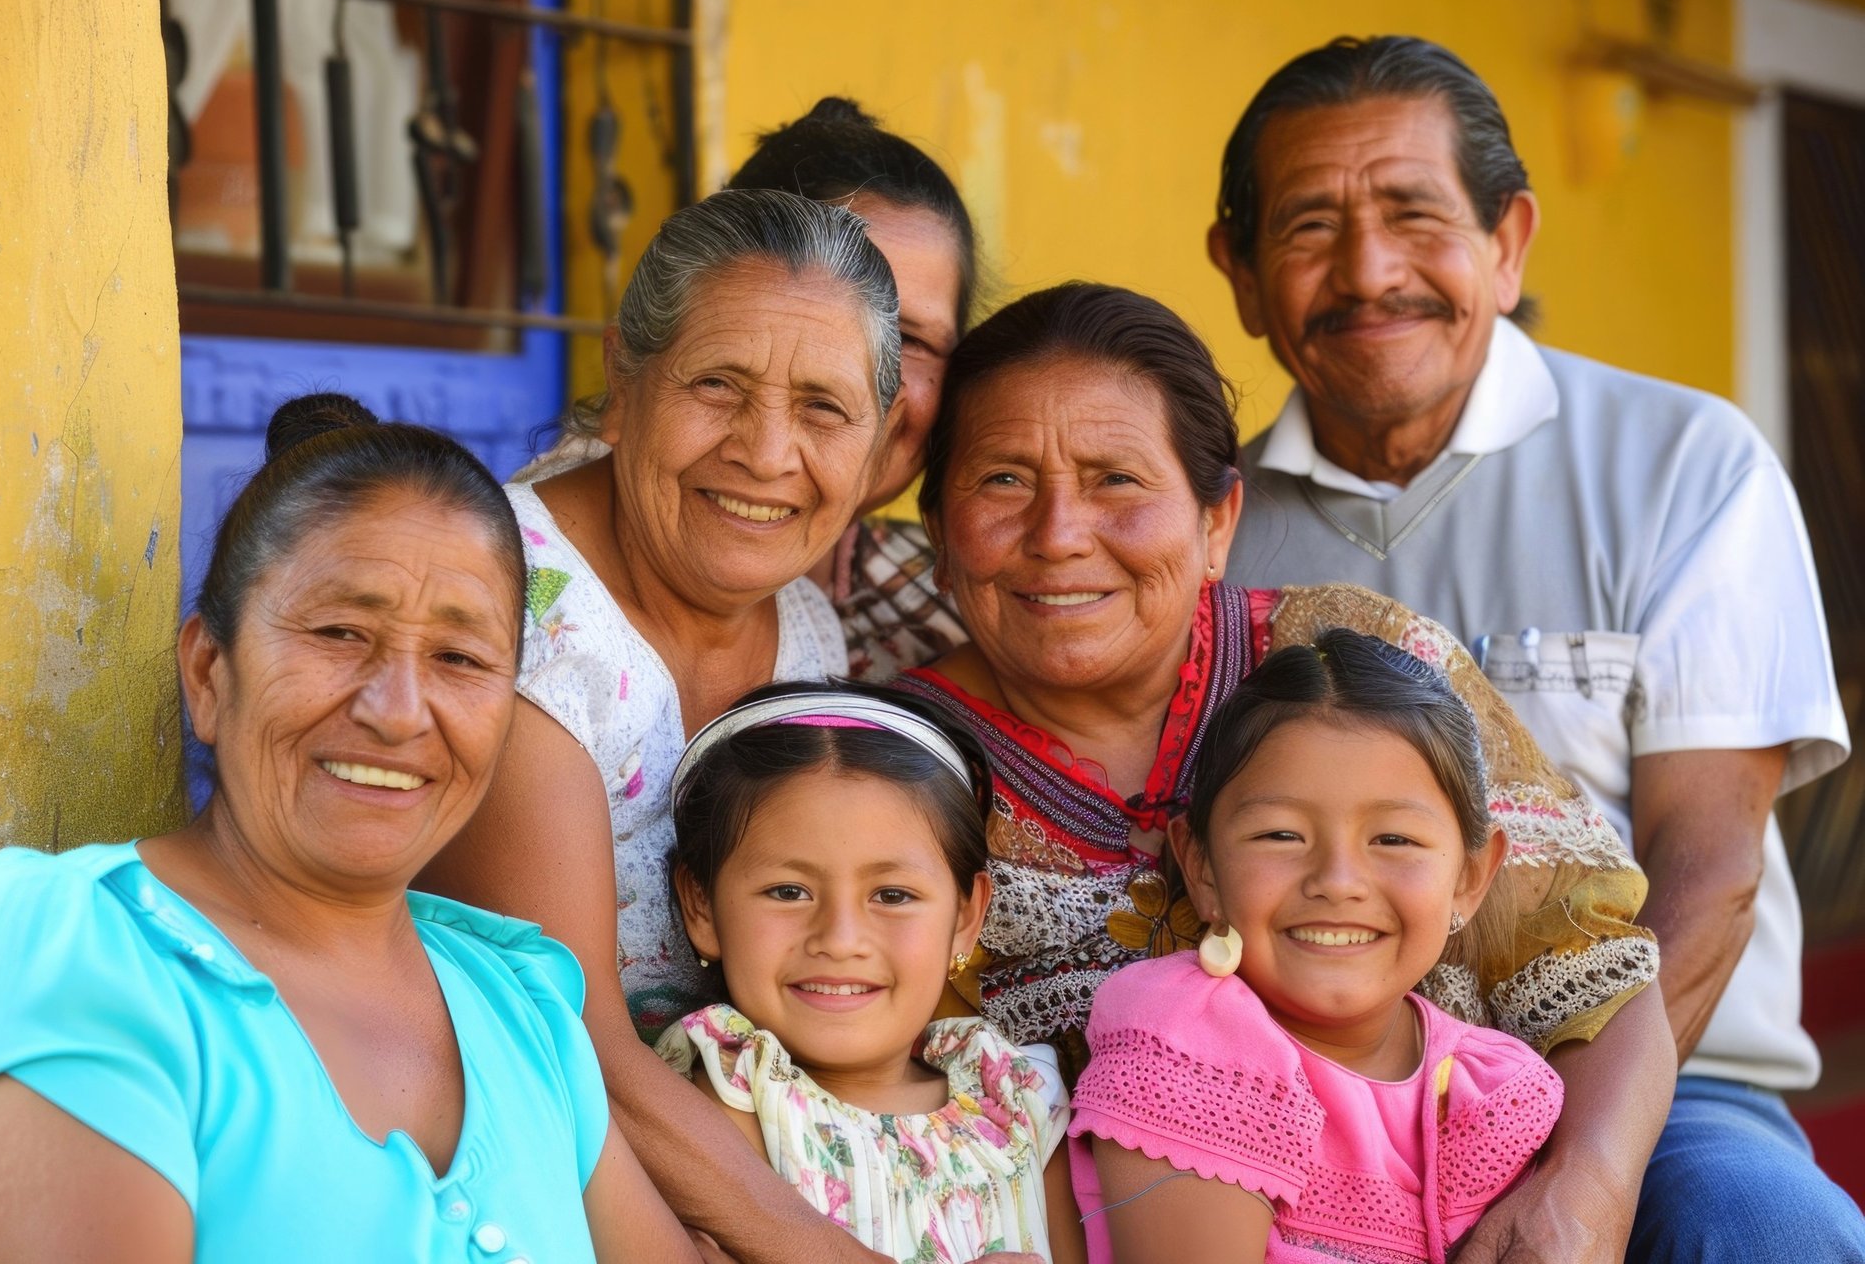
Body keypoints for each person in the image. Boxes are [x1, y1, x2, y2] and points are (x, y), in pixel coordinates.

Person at [1210, 36, 1859, 1262]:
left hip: (1657, 1080)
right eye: (1306, 227)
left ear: (1507, 242)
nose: (1368, 270)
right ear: (1238, 274)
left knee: (1770, 1230)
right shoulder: (1203, 529)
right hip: (1304, 1084)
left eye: (1415, 213)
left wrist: (1584, 1165)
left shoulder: (1682, 467)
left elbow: (1708, 865)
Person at [899, 280, 1676, 1256]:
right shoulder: (896, 771)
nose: (1059, 532)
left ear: (1220, 518)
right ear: (938, 525)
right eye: (1004, 480)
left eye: (1117, 480)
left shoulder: (1369, 656)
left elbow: (1595, 963)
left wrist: (1586, 1188)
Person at [425, 191, 1030, 1264]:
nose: (765, 451)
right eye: (718, 385)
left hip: (730, 1169)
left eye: (823, 408)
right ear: (626, 376)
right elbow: (576, 1046)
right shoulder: (518, 608)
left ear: (883, 432)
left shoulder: (802, 626)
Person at [0, 396, 695, 1261]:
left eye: (459, 658)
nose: (399, 712)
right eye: (339, 633)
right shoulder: (72, 952)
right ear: (208, 673)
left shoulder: (522, 1010)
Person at [1071, 629, 1562, 1263]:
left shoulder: (1486, 1091)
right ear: (1202, 867)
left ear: (1469, 878)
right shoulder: (1187, 1040)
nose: (1336, 882)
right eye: (1280, 834)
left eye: (1393, 840)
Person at [657, 682, 1084, 1263]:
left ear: (964, 918)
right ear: (702, 905)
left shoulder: (1015, 1098)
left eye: (891, 894)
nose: (840, 939)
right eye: (788, 891)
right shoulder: (736, 1088)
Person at [729, 97, 978, 682]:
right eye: (833, 318)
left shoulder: (964, 612)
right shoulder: (544, 588)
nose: (867, 383)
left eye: (911, 338)